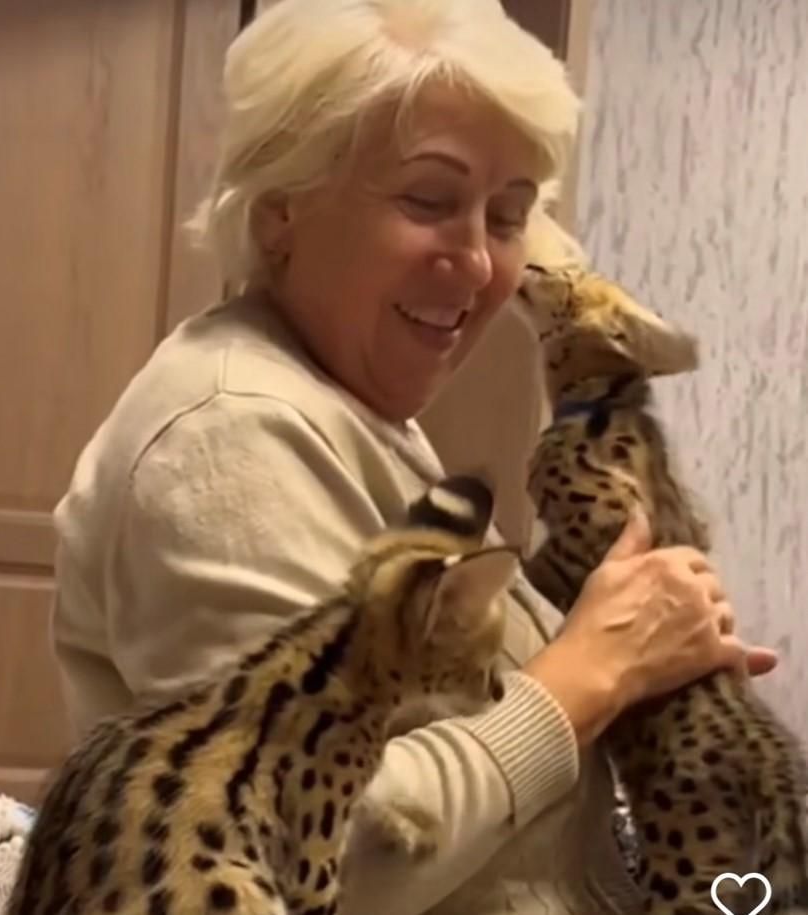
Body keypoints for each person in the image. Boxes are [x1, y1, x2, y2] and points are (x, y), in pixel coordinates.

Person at [49, 1, 777, 913]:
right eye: (428, 201)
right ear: (280, 214)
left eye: (508, 217)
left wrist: (648, 640)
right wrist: (593, 672)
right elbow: (325, 858)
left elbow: (436, 693)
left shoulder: (354, 405)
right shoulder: (228, 435)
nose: (477, 262)